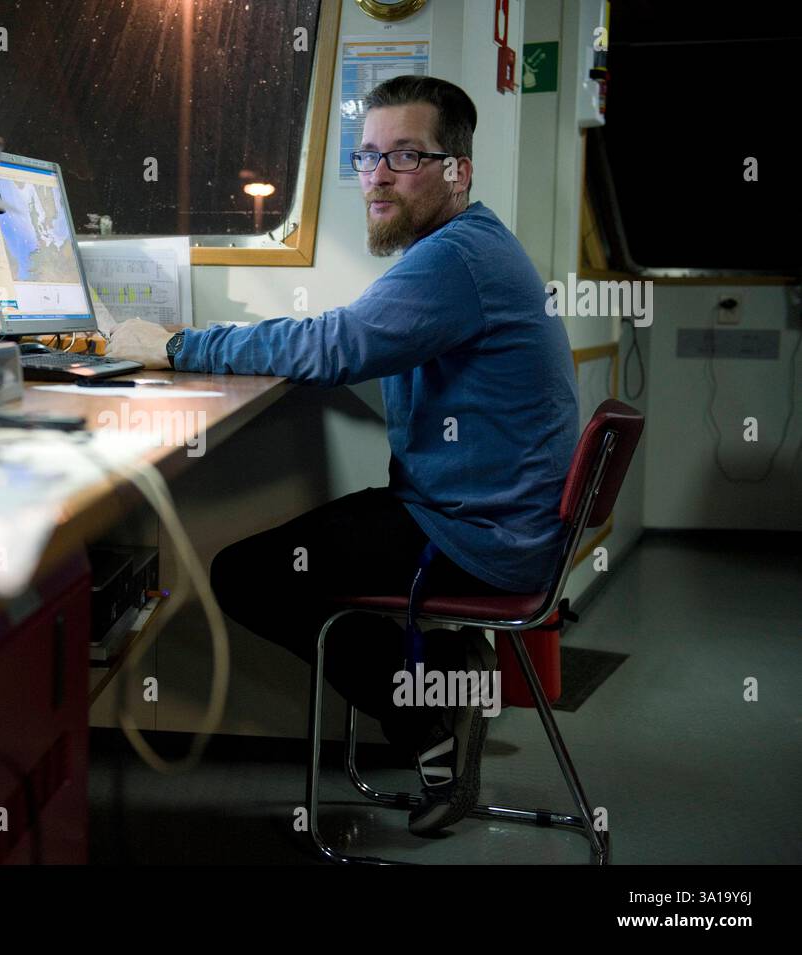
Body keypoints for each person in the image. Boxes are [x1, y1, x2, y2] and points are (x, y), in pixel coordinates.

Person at [105, 75, 578, 835]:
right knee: (286, 560)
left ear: (458, 170)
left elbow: (336, 342)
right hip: (490, 520)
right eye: (365, 157)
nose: (378, 177)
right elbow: (350, 336)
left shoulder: (455, 259)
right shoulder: (467, 248)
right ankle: (438, 682)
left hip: (477, 536)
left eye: (405, 156)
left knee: (248, 574)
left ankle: (429, 713)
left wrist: (175, 345)